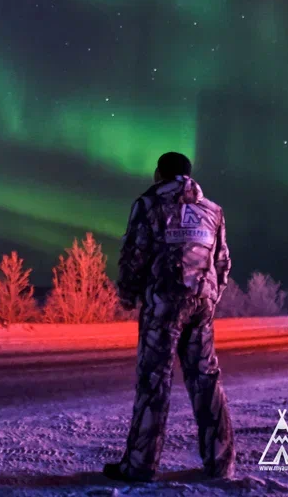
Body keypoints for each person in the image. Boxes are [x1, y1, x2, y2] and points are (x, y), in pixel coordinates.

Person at [103, 151, 235, 482]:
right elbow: (222, 262)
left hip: (163, 303)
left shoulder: (148, 204)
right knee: (206, 380)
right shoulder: (212, 211)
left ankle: (141, 466)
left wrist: (128, 295)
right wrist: (210, 296)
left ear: (160, 173)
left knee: (154, 382)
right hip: (201, 303)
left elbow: (135, 254)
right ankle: (220, 464)